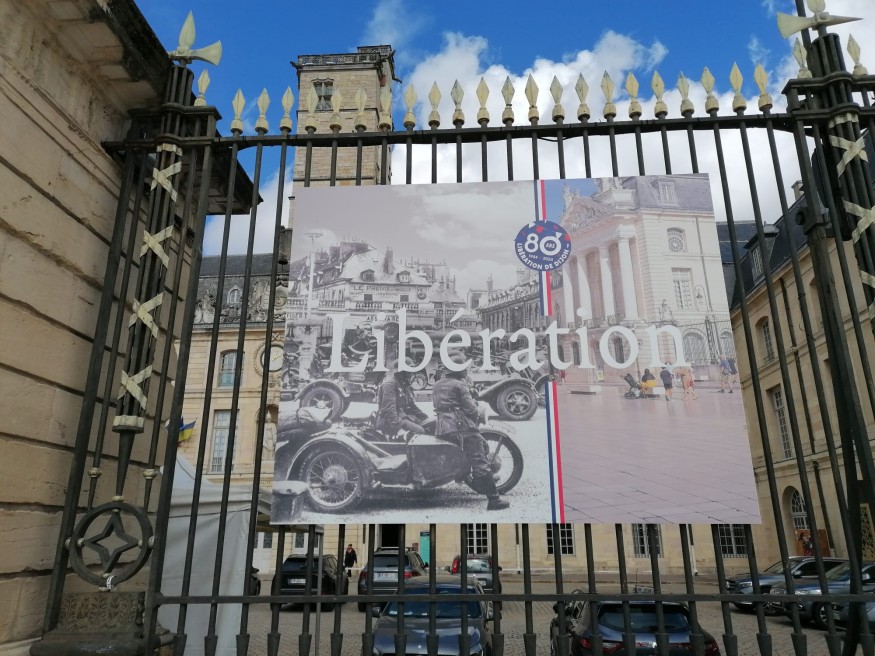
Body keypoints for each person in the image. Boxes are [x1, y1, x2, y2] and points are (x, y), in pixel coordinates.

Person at [432, 353, 510, 511]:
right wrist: (474, 405)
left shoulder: (437, 384)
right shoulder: (460, 385)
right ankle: (494, 500)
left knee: (479, 447)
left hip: (443, 427)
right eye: (464, 368)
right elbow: (472, 410)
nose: (466, 370)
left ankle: (481, 482)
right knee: (479, 459)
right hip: (460, 426)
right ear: (458, 370)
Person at [375, 358, 428, 437]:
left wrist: (425, 418)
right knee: (421, 431)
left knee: (429, 426)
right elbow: (389, 410)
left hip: (402, 417)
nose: (411, 374)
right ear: (402, 372)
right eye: (409, 371)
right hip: (389, 422)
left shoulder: (403, 385)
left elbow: (412, 407)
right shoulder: (390, 384)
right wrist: (398, 426)